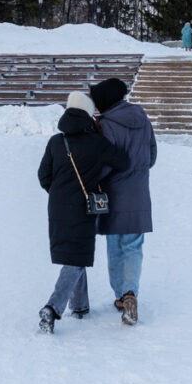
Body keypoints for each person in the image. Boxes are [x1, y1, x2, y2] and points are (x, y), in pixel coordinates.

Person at [37, 91, 129, 334]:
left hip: (56, 206)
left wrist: (58, 193)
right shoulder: (96, 143)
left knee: (75, 254)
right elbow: (123, 162)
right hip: (83, 207)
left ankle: (79, 306)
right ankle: (52, 308)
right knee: (76, 258)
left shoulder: (56, 142)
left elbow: (43, 176)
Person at [88, 78, 157, 326]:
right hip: (138, 192)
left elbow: (105, 163)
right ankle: (130, 293)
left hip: (113, 193)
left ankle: (120, 295)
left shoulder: (105, 125)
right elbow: (151, 156)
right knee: (134, 245)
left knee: (115, 246)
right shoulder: (142, 118)